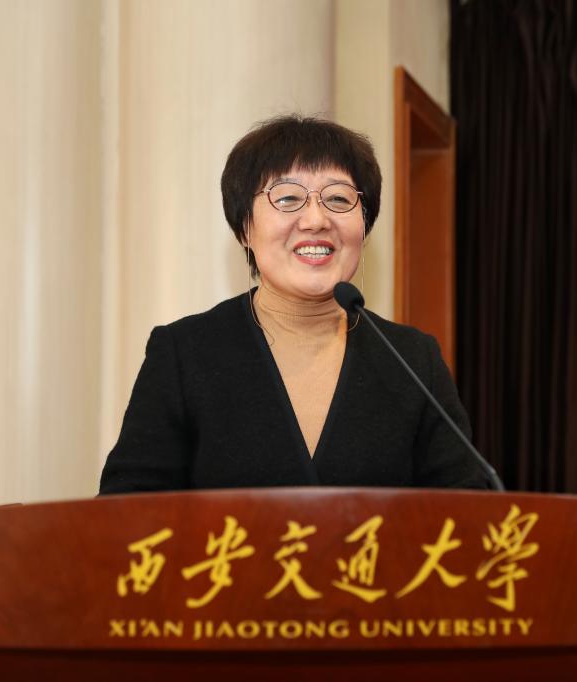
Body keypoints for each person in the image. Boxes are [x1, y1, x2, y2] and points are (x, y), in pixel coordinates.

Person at [99, 115, 487, 493]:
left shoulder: (413, 360)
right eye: (288, 198)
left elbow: (469, 509)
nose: (316, 220)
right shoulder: (185, 353)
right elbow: (127, 514)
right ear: (245, 228)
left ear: (364, 226)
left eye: (338, 198)